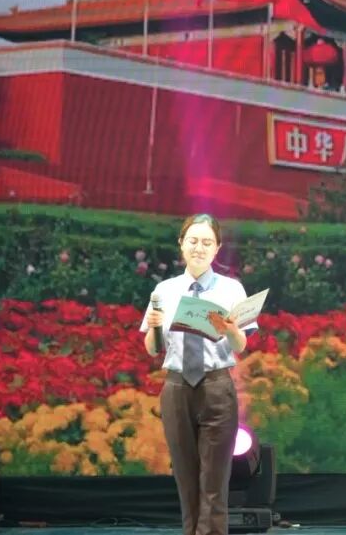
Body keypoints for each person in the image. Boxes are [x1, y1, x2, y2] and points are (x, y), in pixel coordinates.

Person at [141, 213, 255, 535]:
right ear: (181, 244)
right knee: (186, 478)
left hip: (216, 386)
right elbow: (152, 348)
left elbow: (241, 345)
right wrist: (153, 327)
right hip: (177, 387)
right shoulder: (165, 290)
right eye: (193, 241)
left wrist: (230, 329)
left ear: (217, 248)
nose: (199, 248)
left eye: (207, 242)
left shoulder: (231, 289)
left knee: (214, 481)